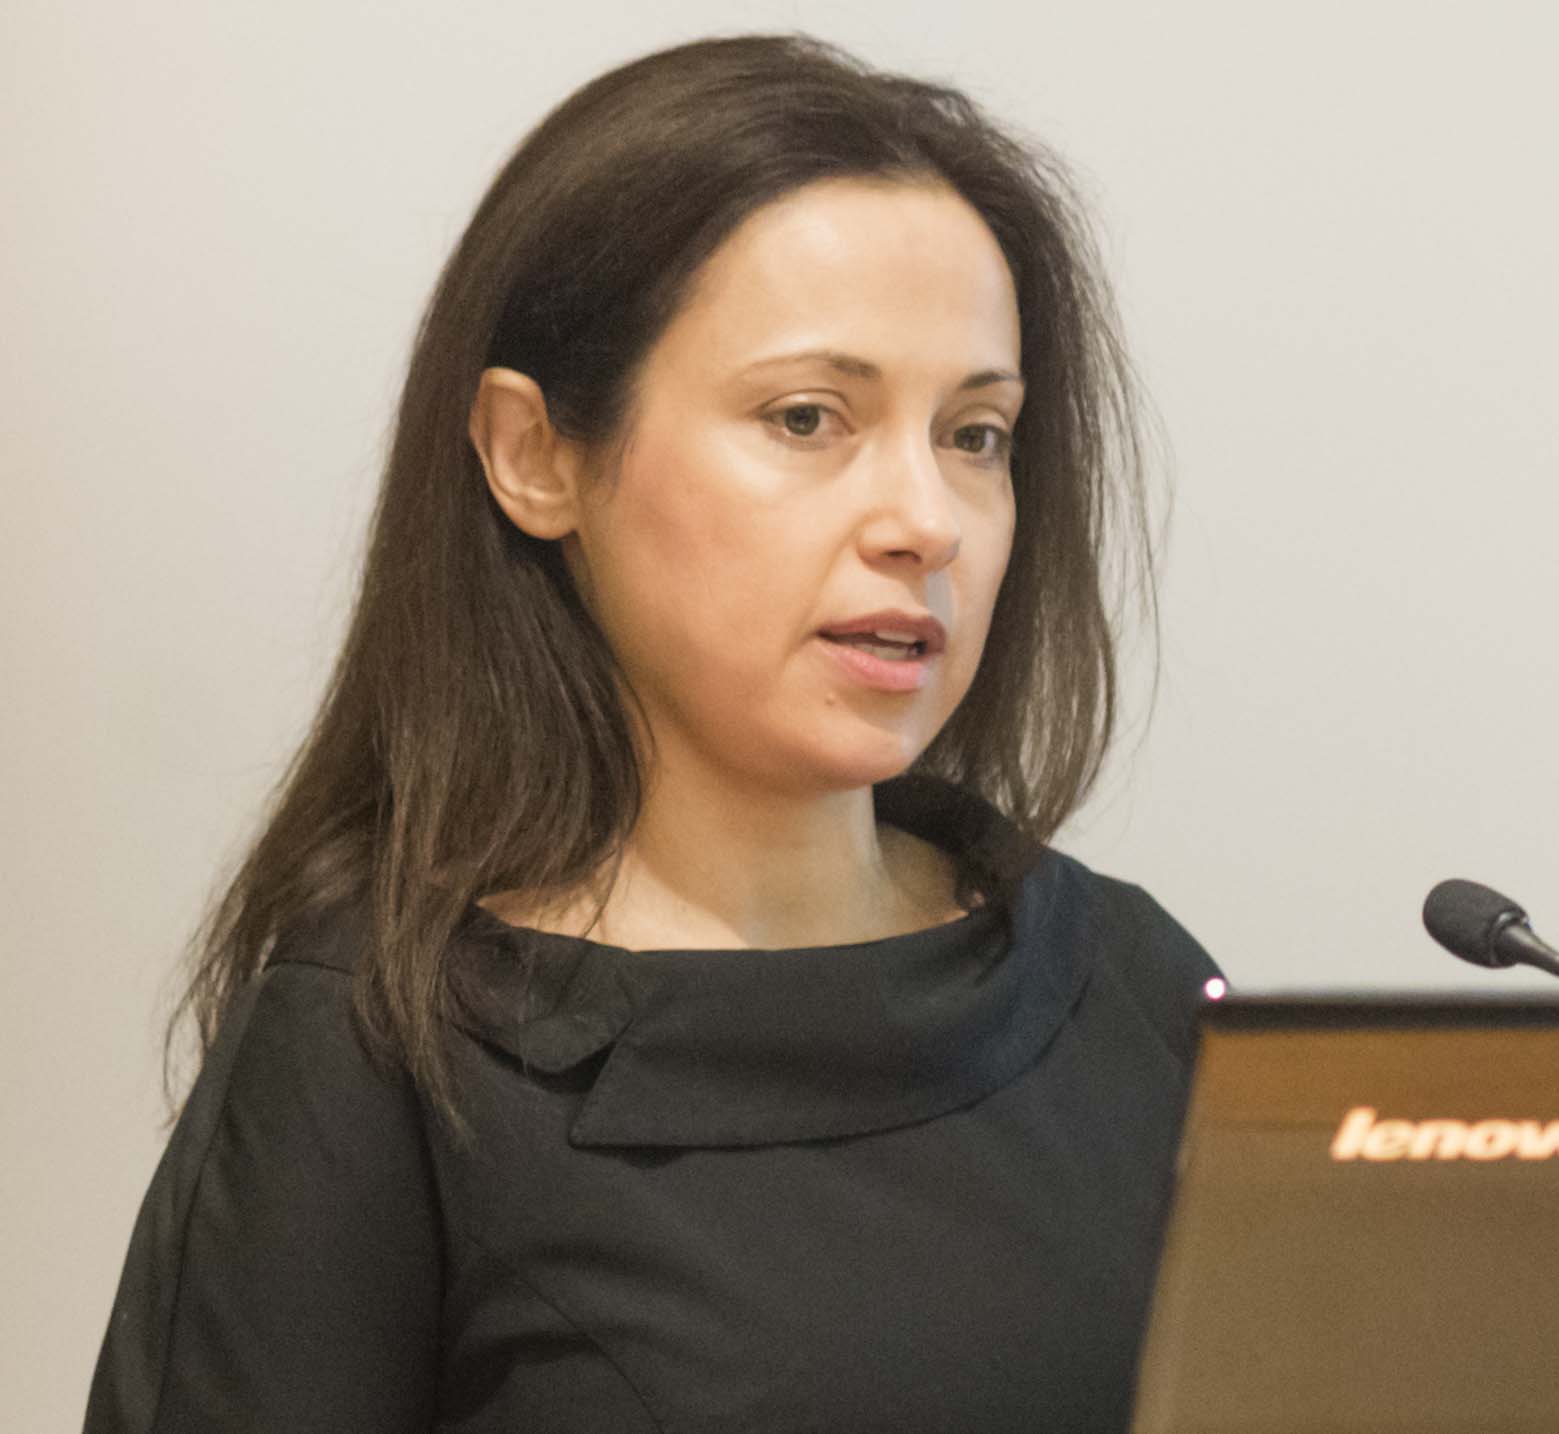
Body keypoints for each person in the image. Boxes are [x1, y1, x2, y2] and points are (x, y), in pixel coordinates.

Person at [83, 30, 1221, 1434]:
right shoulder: (378, 1053)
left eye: (974, 434)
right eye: (807, 417)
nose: (926, 521)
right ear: (535, 455)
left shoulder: (1132, 982)